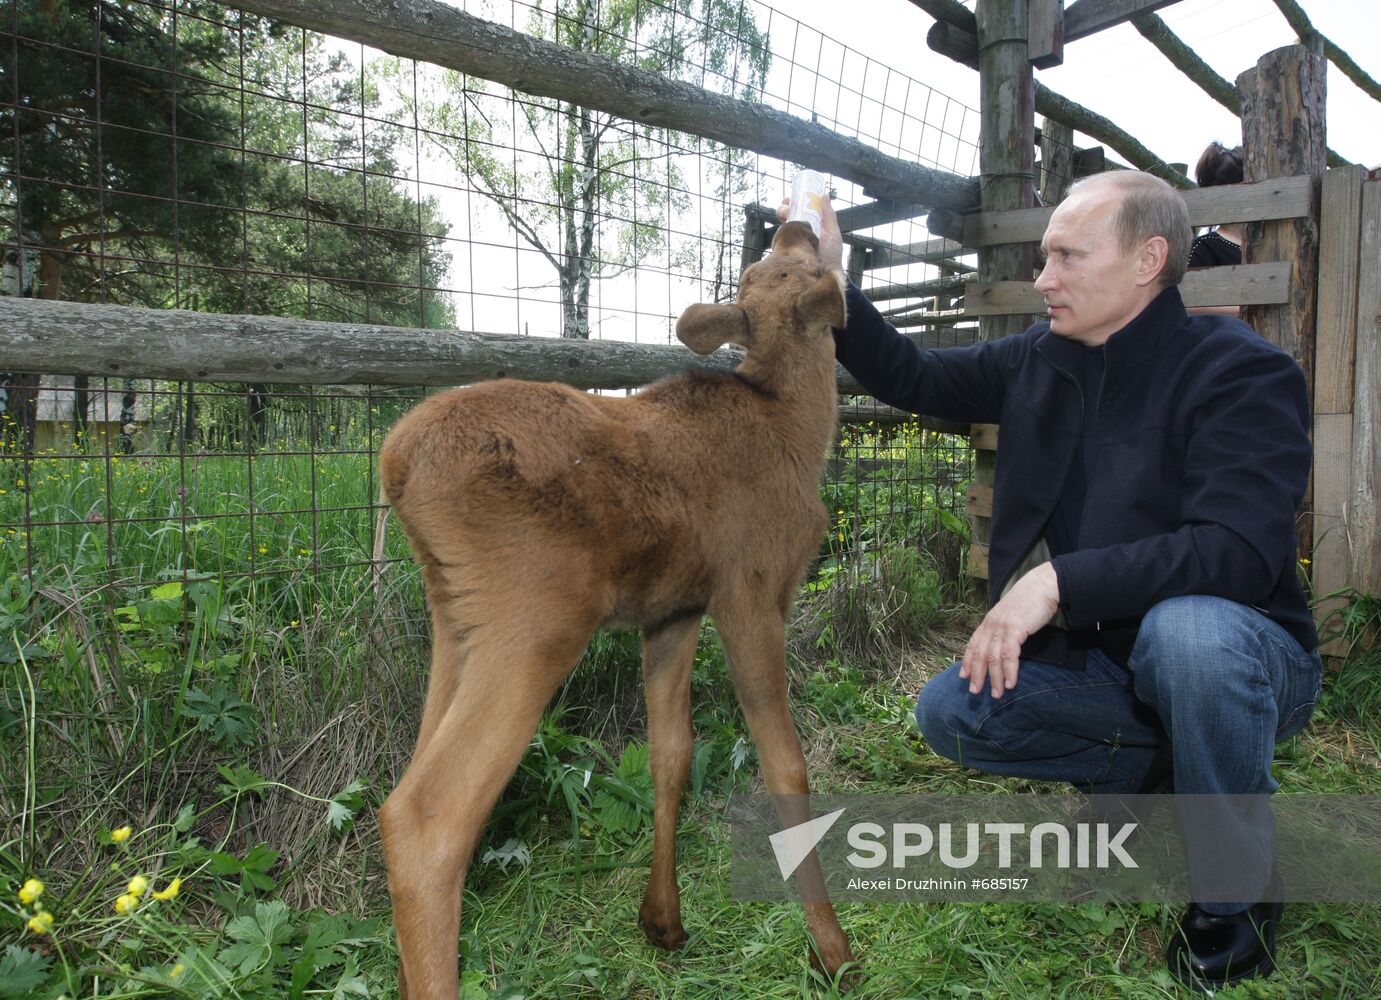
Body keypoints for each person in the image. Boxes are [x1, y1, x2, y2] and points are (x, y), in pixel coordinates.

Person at [802, 171, 1321, 992]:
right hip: (1103, 662)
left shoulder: (1242, 372)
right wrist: (834, 279)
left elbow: (1236, 553)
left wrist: (1053, 585)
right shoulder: (1038, 359)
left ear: (1148, 259)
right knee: (953, 711)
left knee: (1184, 632)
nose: (1043, 279)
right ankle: (1157, 769)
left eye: (1066, 256)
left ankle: (1236, 892)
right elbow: (915, 379)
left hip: (1241, 659)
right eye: (1043, 259)